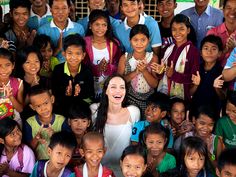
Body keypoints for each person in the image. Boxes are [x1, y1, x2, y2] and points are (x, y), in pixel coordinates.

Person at [91, 74, 140, 176]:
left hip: (125, 172)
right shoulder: (94, 110)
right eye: (113, 87)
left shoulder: (134, 112)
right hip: (99, 171)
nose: (118, 91)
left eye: (122, 87)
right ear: (106, 91)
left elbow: (135, 143)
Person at [151, 14, 200, 102]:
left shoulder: (193, 51)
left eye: (181, 29)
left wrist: (174, 75)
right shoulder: (167, 49)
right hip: (164, 94)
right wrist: (160, 72)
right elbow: (162, 72)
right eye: (174, 29)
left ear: (188, 30)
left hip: (182, 98)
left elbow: (194, 79)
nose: (177, 33)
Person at [118, 24, 158, 117]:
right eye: (135, 40)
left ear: (148, 41)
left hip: (149, 102)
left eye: (143, 40)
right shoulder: (125, 58)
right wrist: (135, 72)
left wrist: (144, 71)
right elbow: (119, 82)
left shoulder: (152, 58)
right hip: (130, 100)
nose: (139, 43)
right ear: (130, 41)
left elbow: (155, 84)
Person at [52, 34, 94, 117]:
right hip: (62, 108)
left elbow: (90, 92)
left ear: (83, 55)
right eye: (70, 53)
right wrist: (66, 93)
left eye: (78, 53)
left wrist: (79, 92)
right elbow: (54, 92)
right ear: (64, 54)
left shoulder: (87, 71)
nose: (73, 57)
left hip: (80, 110)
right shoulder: (58, 70)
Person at [84, 10, 122, 101]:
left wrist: (108, 67)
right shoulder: (84, 42)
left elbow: (119, 66)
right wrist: (97, 68)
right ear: (90, 25)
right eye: (97, 24)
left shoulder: (114, 43)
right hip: (89, 87)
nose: (100, 28)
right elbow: (81, 66)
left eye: (104, 25)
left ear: (108, 27)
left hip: (108, 89)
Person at [175, 105, 224, 172]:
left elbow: (219, 168)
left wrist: (209, 152)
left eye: (210, 124)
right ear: (194, 120)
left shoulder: (216, 141)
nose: (206, 128)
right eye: (202, 123)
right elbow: (182, 161)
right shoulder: (187, 137)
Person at [24, 86, 68, 160]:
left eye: (46, 103)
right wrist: (36, 139)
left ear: (52, 99)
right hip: (38, 163)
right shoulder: (29, 123)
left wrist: (55, 137)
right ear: (32, 107)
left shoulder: (61, 120)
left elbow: (67, 146)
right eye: (38, 106)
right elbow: (28, 150)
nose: (43, 108)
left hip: (58, 162)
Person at [191, 35, 225, 117]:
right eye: (206, 48)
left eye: (213, 49)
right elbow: (189, 93)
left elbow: (223, 97)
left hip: (212, 114)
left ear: (219, 53)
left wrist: (217, 88)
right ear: (201, 53)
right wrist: (196, 85)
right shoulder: (196, 69)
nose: (209, 52)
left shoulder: (222, 72)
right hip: (196, 112)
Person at [15, 46, 51, 120]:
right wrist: (32, 88)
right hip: (26, 120)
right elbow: (21, 108)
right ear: (21, 64)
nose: (33, 65)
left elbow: (50, 102)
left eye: (36, 61)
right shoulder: (17, 82)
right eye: (28, 62)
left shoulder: (46, 80)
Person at [207, 0, 236, 67]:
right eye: (229, 8)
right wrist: (225, 50)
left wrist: (235, 48)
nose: (232, 12)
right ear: (223, 10)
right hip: (215, 75)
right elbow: (208, 59)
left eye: (235, 9)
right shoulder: (213, 33)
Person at [0, 48, 23, 124]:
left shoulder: (18, 83)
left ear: (13, 65)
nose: (3, 69)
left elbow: (20, 109)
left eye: (7, 65)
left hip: (14, 124)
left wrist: (11, 97)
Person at [68, 102, 92, 167]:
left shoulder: (92, 141)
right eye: (75, 120)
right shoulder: (65, 140)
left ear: (88, 123)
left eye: (84, 121)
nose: (79, 125)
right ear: (69, 122)